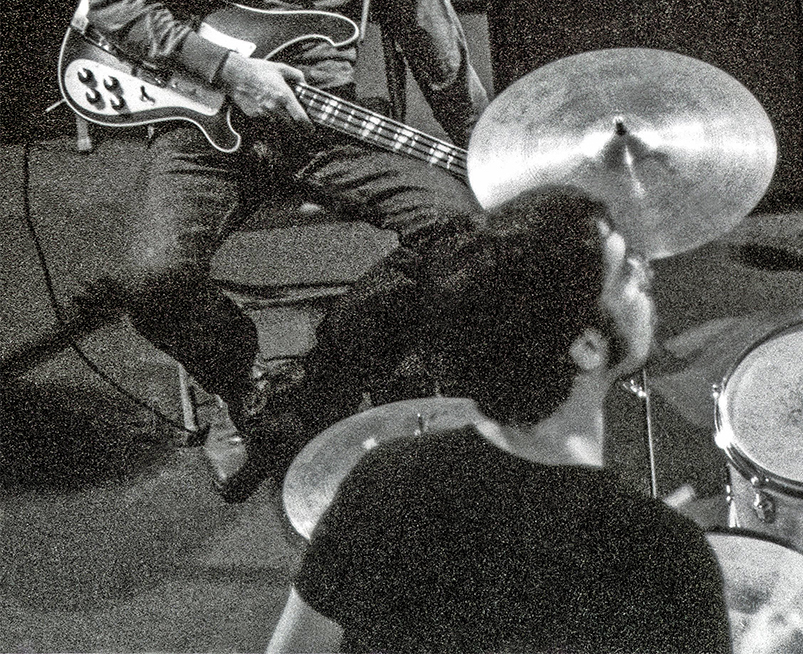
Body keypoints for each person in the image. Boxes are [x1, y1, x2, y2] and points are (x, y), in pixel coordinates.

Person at [79, 0, 488, 500]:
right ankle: (241, 385)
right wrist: (231, 70)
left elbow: (443, 61)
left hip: (326, 126)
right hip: (206, 117)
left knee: (462, 230)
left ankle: (330, 374)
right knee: (151, 280)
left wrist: (494, 150)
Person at [266, 184, 732, 653]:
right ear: (587, 347)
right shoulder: (667, 555)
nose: (644, 273)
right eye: (626, 273)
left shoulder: (388, 480)